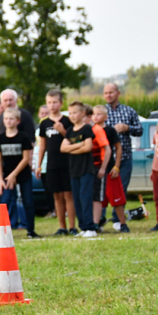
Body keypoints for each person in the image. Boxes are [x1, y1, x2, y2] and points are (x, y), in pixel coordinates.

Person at [36, 89, 77, 235]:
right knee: (57, 196)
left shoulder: (67, 120)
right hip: (52, 164)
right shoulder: (44, 123)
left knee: (68, 195)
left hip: (67, 163)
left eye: (54, 102)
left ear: (61, 103)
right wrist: (38, 164)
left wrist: (62, 131)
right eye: (49, 103)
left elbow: (74, 140)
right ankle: (62, 227)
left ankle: (72, 226)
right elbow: (43, 145)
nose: (52, 105)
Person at [0, 108, 38, 238]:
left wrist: (14, 174)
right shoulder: (0, 139)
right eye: (6, 119)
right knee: (4, 202)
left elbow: (26, 159)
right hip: (6, 176)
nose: (8, 121)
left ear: (17, 121)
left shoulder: (23, 137)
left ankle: (30, 230)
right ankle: (1, 233)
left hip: (23, 175)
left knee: (28, 201)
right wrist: (0, 179)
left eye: (11, 118)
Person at [103, 83, 143, 222]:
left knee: (121, 188)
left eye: (111, 92)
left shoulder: (129, 111)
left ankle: (117, 219)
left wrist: (127, 128)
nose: (108, 95)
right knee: (102, 190)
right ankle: (100, 219)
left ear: (118, 93)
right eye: (106, 93)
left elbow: (139, 131)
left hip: (125, 157)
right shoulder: (100, 113)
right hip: (105, 159)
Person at [61, 101, 97, 237]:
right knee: (76, 199)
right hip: (73, 170)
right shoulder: (69, 131)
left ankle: (90, 228)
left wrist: (72, 148)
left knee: (85, 198)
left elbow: (88, 147)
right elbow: (63, 148)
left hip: (86, 169)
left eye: (75, 112)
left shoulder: (87, 129)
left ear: (82, 114)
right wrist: (79, 146)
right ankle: (83, 227)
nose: (72, 116)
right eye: (70, 113)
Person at [92, 105, 129, 232]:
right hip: (96, 168)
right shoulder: (90, 130)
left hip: (109, 168)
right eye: (94, 114)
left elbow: (118, 148)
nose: (95, 116)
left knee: (117, 197)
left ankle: (122, 223)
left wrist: (116, 166)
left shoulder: (110, 131)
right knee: (97, 198)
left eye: (99, 114)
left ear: (106, 117)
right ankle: (97, 223)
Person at [84, 104, 113, 232]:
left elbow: (108, 149)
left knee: (97, 197)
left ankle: (96, 223)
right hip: (85, 169)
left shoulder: (96, 130)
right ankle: (88, 222)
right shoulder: (79, 129)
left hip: (97, 167)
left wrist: (103, 168)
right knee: (87, 196)